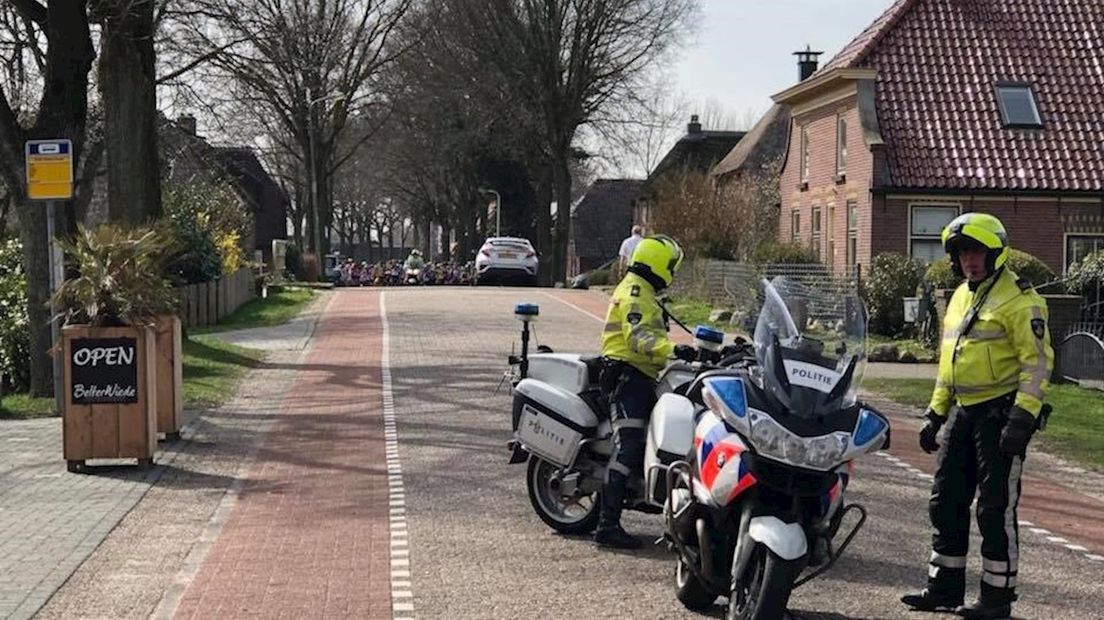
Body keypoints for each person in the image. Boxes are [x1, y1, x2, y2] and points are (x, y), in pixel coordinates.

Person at [901, 213, 1053, 619]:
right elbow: (948, 364)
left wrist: (1022, 419)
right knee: (946, 499)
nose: (971, 260)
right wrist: (935, 413)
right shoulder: (960, 297)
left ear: (995, 253)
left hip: (1001, 414)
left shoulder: (1020, 299)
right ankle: (944, 588)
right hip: (964, 414)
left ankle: (996, 598)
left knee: (993, 507)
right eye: (964, 252)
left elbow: (1037, 364)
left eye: (978, 251)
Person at [596, 234, 696, 549]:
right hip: (629, 377)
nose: (673, 273)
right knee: (628, 446)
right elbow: (639, 338)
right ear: (656, 263)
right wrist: (674, 349)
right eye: (670, 266)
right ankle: (606, 525)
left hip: (642, 374)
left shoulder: (646, 292)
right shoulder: (635, 293)